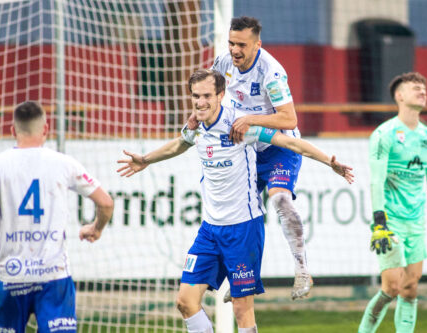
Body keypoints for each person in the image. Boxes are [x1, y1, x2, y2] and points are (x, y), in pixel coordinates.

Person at [118, 69, 353, 333]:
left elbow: (290, 143)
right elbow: (179, 144)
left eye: (207, 95)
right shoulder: (196, 127)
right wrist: (146, 160)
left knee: (242, 311)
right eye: (195, 96)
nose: (200, 102)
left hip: (243, 228)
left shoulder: (241, 126)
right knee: (185, 302)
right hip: (209, 230)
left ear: (220, 95)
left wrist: (329, 162)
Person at [0, 101, 114, 333]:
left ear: (13, 131)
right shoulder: (64, 163)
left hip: (12, 276)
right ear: (46, 129)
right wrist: (97, 227)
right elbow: (106, 202)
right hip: (53, 277)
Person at [188, 16, 311, 300]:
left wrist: (248, 119)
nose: (235, 50)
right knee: (239, 212)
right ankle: (243, 275)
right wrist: (199, 111)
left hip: (280, 145)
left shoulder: (272, 71)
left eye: (241, 44)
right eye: (231, 43)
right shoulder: (222, 63)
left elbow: (289, 117)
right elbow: (210, 93)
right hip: (248, 147)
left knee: (279, 199)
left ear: (257, 44)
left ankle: (302, 269)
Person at [358, 72, 427, 333]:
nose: (422, 91)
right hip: (390, 220)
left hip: (416, 222)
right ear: (399, 96)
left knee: (410, 289)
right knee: (391, 287)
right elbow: (376, 181)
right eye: (415, 88)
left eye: (424, 87)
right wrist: (379, 224)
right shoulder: (384, 134)